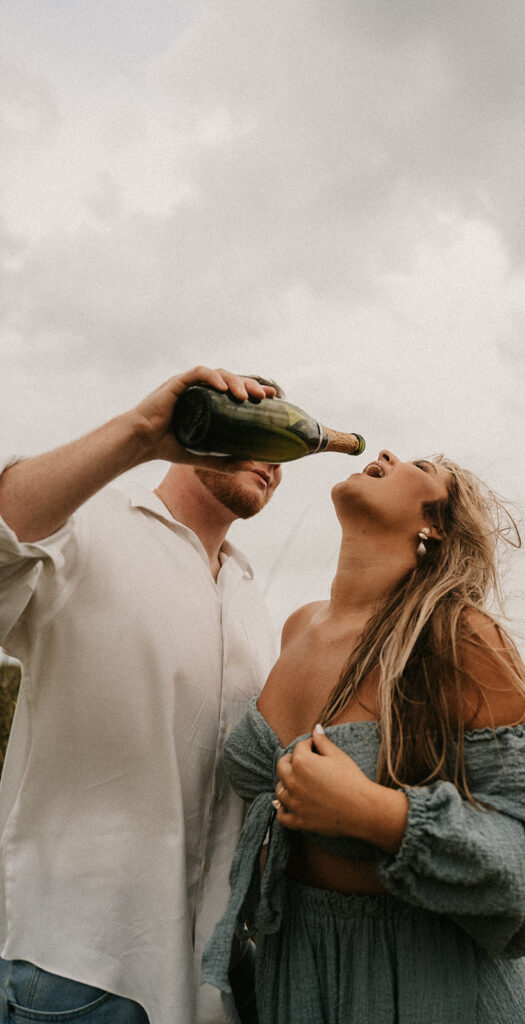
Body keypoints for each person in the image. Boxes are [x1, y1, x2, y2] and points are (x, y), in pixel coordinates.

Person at [201, 450, 525, 1023]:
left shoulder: (457, 637)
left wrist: (374, 814)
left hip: (428, 983)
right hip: (300, 974)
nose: (385, 453)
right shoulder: (298, 627)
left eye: (419, 464)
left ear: (434, 524)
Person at [0, 367, 284, 1024]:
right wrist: (141, 434)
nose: (272, 461)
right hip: (77, 968)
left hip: (202, 981)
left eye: (282, 447)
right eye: (252, 430)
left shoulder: (249, 597)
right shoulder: (91, 526)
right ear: (200, 428)